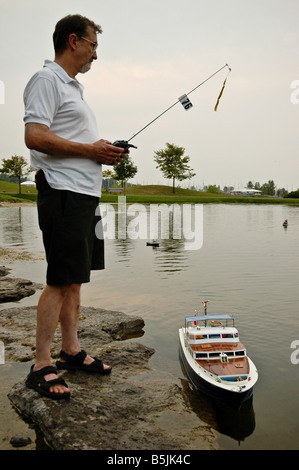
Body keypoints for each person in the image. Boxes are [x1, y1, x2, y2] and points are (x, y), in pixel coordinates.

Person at [23, 14, 126, 399]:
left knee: (76, 278)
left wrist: (102, 152)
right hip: (62, 192)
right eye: (93, 45)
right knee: (59, 280)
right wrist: (89, 149)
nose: (95, 55)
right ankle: (41, 364)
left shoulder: (74, 89)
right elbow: (35, 136)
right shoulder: (46, 80)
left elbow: (73, 141)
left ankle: (70, 350)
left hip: (84, 193)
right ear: (73, 41)